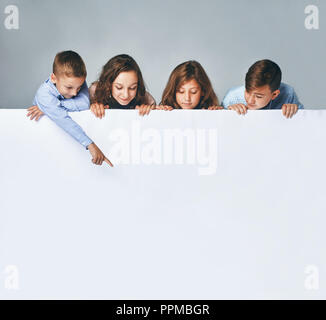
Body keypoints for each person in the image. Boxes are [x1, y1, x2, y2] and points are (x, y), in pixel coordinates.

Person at [27, 50, 113, 166]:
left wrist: (51, 108)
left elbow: (84, 104)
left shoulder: (76, 82)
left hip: (68, 145)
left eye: (79, 88)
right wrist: (90, 144)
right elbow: (63, 119)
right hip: (42, 140)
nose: (74, 93)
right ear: (53, 78)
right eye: (69, 87)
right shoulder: (44, 94)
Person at [222, 59, 304, 118]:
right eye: (247, 91)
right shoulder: (231, 98)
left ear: (274, 94)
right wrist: (228, 114)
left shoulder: (288, 94)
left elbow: (304, 124)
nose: (250, 101)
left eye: (258, 96)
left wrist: (296, 112)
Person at [89, 54, 156, 117]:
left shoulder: (146, 99)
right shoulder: (94, 91)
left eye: (132, 88)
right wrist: (90, 107)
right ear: (108, 84)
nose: (126, 95)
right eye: (119, 87)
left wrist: (150, 111)